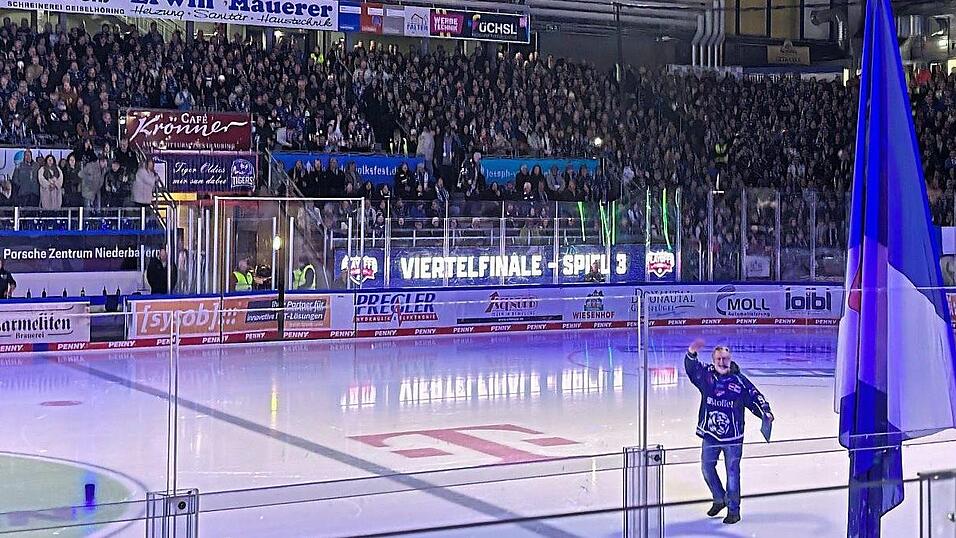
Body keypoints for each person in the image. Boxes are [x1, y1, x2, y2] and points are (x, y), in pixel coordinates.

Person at [684, 339, 773, 525]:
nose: (722, 362)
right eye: (719, 359)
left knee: (732, 473)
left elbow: (755, 397)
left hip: (733, 437)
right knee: (707, 468)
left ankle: (734, 510)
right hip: (710, 434)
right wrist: (692, 352)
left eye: (725, 358)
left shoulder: (739, 381)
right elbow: (692, 370)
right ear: (713, 360)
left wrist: (765, 412)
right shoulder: (706, 375)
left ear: (730, 359)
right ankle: (719, 498)